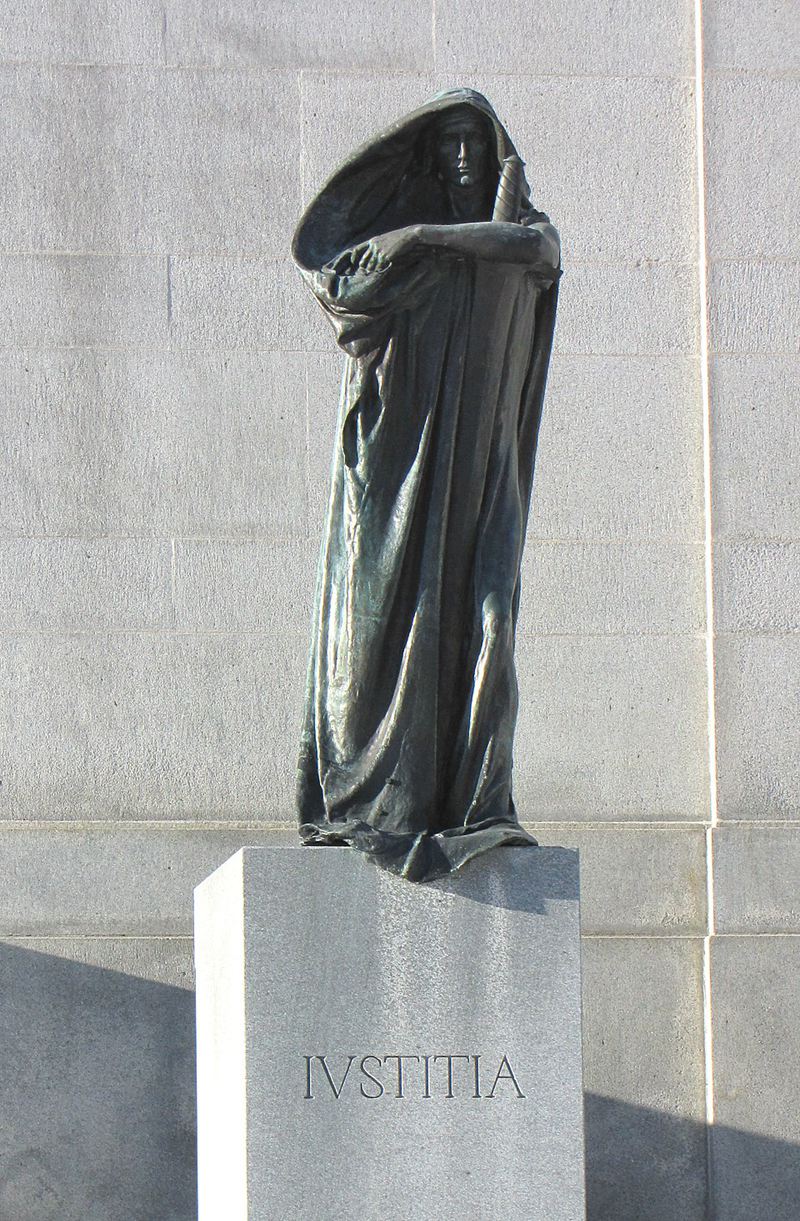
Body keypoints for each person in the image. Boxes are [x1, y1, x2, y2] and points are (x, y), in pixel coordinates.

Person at [292, 88, 561, 881]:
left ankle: (476, 801)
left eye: (474, 142)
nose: (462, 158)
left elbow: (533, 250)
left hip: (478, 477)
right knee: (376, 641)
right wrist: (415, 243)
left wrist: (422, 237)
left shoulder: (521, 235)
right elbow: (336, 285)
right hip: (395, 473)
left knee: (489, 624)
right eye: (448, 143)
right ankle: (377, 795)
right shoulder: (404, 255)